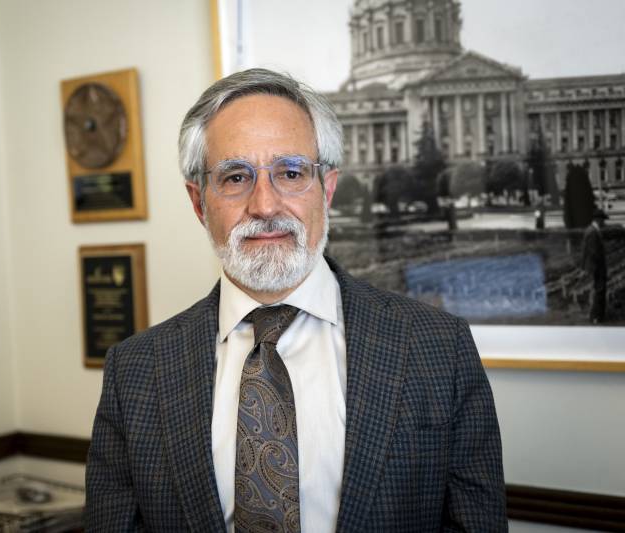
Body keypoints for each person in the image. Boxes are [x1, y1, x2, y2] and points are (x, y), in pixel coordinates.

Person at [84, 68, 506, 532]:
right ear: (199, 202)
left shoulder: (439, 348)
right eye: (235, 177)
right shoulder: (135, 370)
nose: (265, 206)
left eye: (290, 172)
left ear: (326, 189)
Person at [582, 208, 608, 323]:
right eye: (603, 220)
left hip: (594, 266)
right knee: (599, 290)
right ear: (598, 220)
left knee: (599, 290)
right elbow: (594, 252)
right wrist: (600, 267)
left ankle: (597, 316)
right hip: (597, 267)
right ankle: (596, 317)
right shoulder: (593, 232)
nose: (604, 223)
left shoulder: (591, 230)